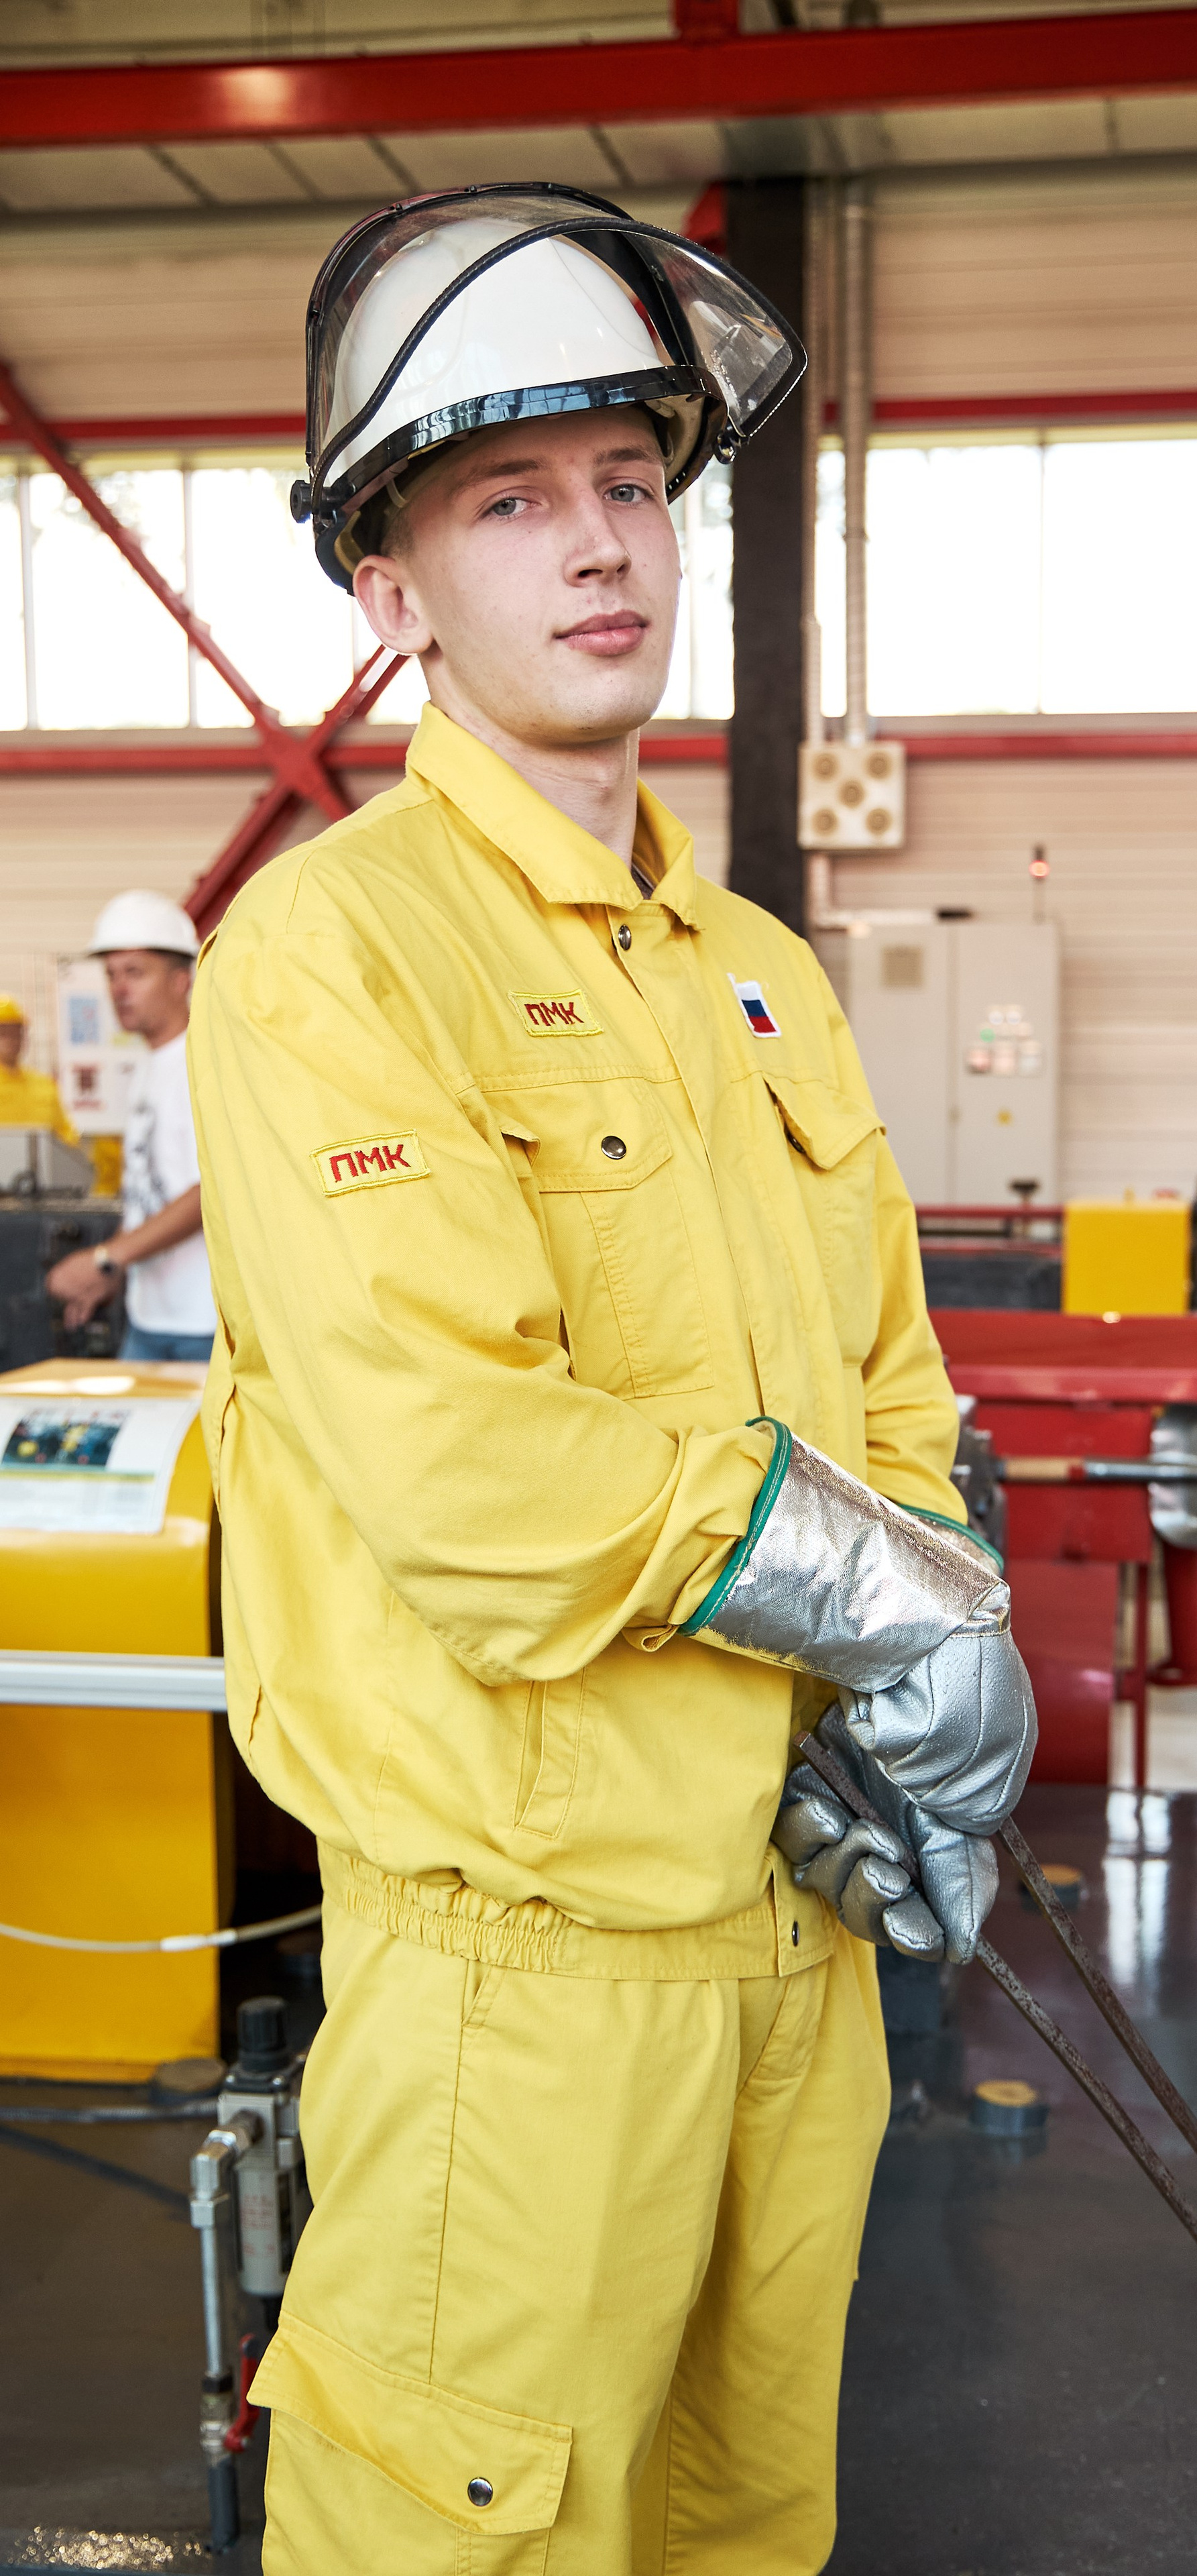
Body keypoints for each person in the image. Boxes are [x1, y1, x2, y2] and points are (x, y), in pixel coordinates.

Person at [189, 186, 1035, 2576]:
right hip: (522, 1987)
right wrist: (896, 1614)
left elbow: (882, 1369)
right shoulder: (331, 961)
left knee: (740, 2526)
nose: (597, 549)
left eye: (632, 485)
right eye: (506, 497)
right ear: (388, 589)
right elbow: (471, 1475)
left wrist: (906, 1672)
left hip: (796, 1946)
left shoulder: (754, 968)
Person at [46, 891, 216, 1364]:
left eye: (136, 973)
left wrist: (106, 1258)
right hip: (148, 1317)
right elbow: (148, 1188)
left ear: (182, 979)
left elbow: (213, 1187)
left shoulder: (202, 1061)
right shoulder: (149, 1064)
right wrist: (114, 1273)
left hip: (203, 1323)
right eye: (112, 974)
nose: (118, 989)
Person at [0, 992, 80, 1152]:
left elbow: (67, 1136)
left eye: (17, 1032)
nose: (11, 1039)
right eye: (4, 1033)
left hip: (41, 1175)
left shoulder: (44, 1085)